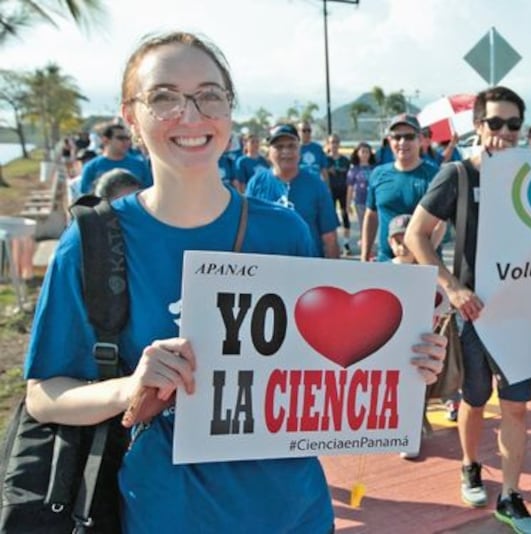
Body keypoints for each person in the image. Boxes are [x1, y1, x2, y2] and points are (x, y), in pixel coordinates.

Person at [22, 31, 445, 534]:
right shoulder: (92, 241)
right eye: (164, 97)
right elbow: (44, 395)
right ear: (131, 116)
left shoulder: (284, 231)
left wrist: (404, 365)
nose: (192, 115)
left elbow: (317, 365)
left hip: (296, 509)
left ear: (229, 109)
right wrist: (129, 388)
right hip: (169, 512)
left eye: (209, 95)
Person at [405, 86, 531, 534]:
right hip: (475, 317)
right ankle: (469, 465)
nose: (504, 133)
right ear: (479, 126)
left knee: (518, 408)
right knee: (475, 400)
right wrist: (453, 288)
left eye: (513, 124)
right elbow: (416, 236)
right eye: (495, 123)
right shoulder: (458, 176)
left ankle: (511, 496)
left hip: (522, 317)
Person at [246, 124, 340, 259]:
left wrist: (333, 275)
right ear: (269, 152)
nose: (286, 151)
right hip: (269, 269)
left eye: (291, 146)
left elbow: (329, 237)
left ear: (299, 150)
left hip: (307, 268)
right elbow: (247, 233)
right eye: (279, 147)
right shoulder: (256, 184)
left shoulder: (316, 185)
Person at [360, 114, 441, 263]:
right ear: (390, 141)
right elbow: (371, 216)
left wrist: (418, 259)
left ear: (420, 139)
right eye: (397, 137)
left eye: (409, 137)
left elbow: (440, 224)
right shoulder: (378, 174)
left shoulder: (434, 176)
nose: (402, 142)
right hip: (386, 263)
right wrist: (364, 255)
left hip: (423, 266)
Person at [78, 123, 152, 194]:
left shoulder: (140, 165)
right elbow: (86, 194)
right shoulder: (91, 167)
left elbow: (148, 191)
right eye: (121, 138)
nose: (126, 142)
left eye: (128, 138)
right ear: (105, 140)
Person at [347, 141, 376, 246]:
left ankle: (370, 243)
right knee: (363, 225)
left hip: (373, 201)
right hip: (360, 201)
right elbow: (350, 188)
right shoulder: (354, 170)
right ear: (358, 153)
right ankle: (365, 244)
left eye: (367, 152)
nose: (364, 154)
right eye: (362, 152)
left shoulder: (374, 169)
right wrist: (348, 204)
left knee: (372, 225)